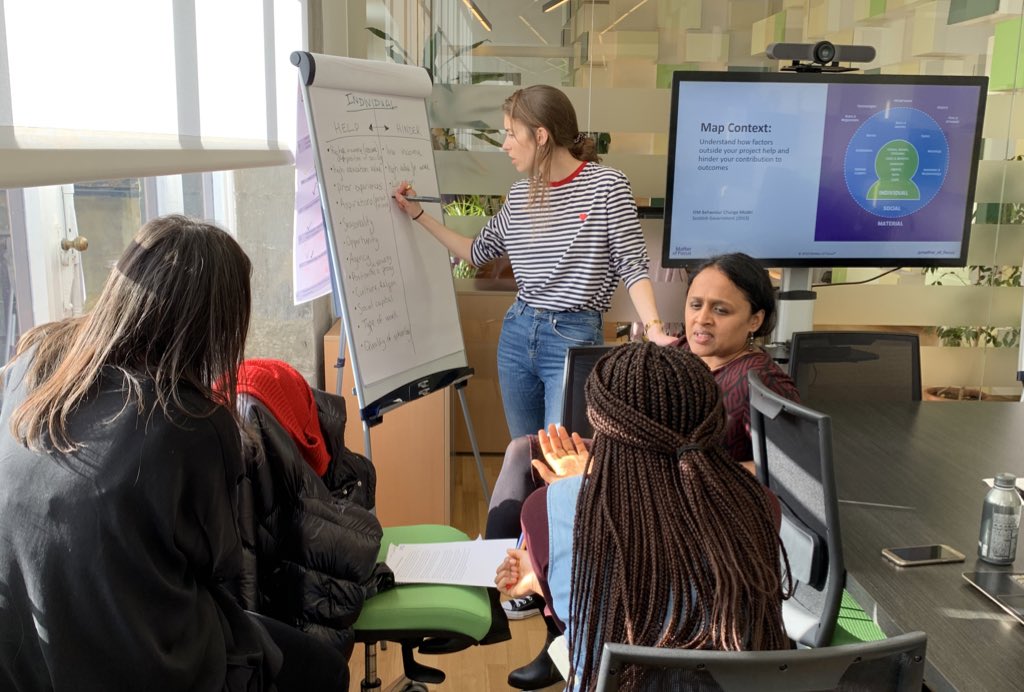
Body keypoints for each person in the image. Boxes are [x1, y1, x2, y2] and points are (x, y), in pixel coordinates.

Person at [0, 215, 347, 691]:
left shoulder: (31, 363)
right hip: (141, 662)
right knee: (323, 668)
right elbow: (220, 566)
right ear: (210, 327)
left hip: (27, 656)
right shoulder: (189, 421)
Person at [486, 252, 799, 688]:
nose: (702, 318)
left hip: (666, 494)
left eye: (720, 309)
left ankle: (539, 612)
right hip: (652, 486)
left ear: (755, 320)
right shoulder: (759, 509)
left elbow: (787, 471)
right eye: (695, 304)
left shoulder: (761, 384)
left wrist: (589, 483)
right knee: (527, 454)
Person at [394, 84, 676, 441]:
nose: (504, 144)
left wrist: (653, 328)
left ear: (540, 135)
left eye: (511, 133)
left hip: (573, 339)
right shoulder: (519, 195)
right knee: (525, 453)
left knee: (563, 459)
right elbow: (475, 252)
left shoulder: (607, 186)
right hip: (517, 333)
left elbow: (633, 265)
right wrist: (419, 215)